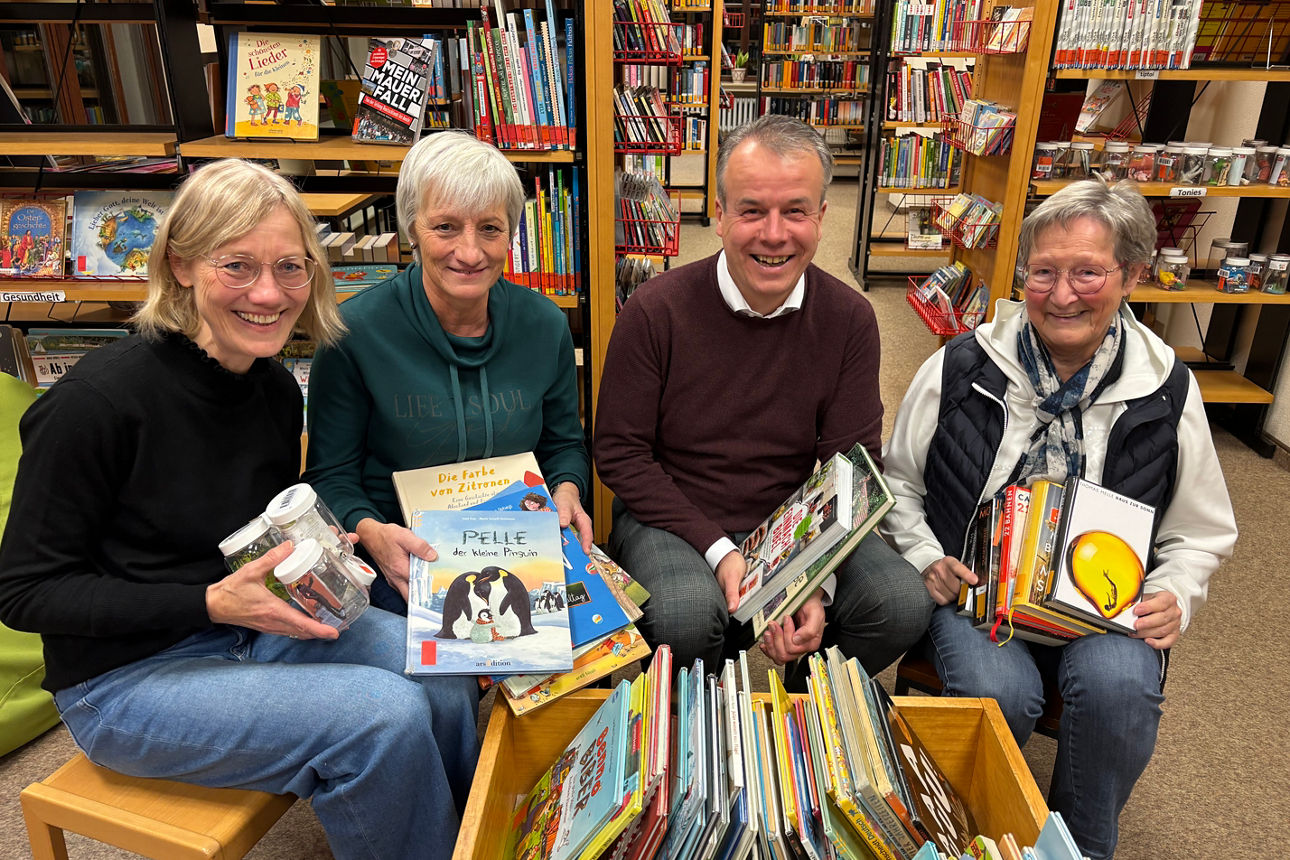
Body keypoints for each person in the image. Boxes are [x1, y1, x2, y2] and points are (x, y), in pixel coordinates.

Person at [0, 159, 480, 860]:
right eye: (237, 266)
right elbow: (25, 593)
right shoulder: (95, 404)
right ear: (181, 265)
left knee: (442, 663)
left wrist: (319, 548)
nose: (268, 293)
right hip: (125, 680)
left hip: (250, 627)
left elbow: (243, 531)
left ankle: (462, 840)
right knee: (383, 719)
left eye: (290, 267)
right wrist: (210, 603)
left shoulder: (275, 389)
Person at [881, 178, 1238, 860]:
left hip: (1105, 603)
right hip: (979, 596)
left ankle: (1081, 847)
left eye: (1088, 272)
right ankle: (979, 842)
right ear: (1023, 274)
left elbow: (1202, 528)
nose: (1062, 293)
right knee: (996, 692)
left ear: (1131, 275)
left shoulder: (1165, 387)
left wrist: (1177, 593)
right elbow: (896, 485)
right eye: (1043, 272)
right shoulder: (962, 366)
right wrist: (927, 556)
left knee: (1118, 688)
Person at [593, 114, 932, 683]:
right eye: (752, 210)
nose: (774, 234)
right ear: (720, 214)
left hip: (799, 519)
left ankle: (805, 706)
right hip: (678, 514)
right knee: (683, 615)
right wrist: (719, 550)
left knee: (900, 602)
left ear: (823, 218)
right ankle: (698, 717)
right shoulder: (655, 309)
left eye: (795, 211)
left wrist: (812, 579)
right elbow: (621, 453)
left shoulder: (850, 320)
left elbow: (849, 468)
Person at [304, 131, 591, 615]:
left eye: (490, 229)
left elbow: (564, 444)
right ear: (412, 228)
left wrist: (567, 490)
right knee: (446, 679)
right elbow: (331, 475)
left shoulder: (545, 325)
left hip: (519, 546)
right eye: (445, 227)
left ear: (512, 234)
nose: (470, 251)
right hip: (402, 553)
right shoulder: (353, 333)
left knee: (595, 652)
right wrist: (371, 531)